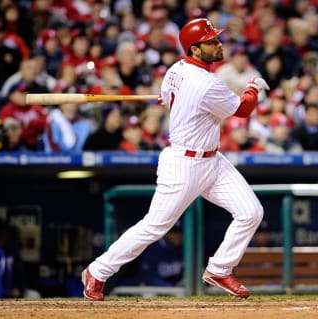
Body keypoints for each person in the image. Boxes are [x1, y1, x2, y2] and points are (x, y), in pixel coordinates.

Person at [82, 18, 268, 300]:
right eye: (211, 42)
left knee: (251, 212)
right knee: (153, 227)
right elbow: (243, 110)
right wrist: (253, 87)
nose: (218, 45)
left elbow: (170, 100)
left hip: (212, 161)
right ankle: (97, 271)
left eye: (216, 39)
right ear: (195, 49)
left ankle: (220, 268)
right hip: (184, 163)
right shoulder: (206, 83)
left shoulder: (174, 70)